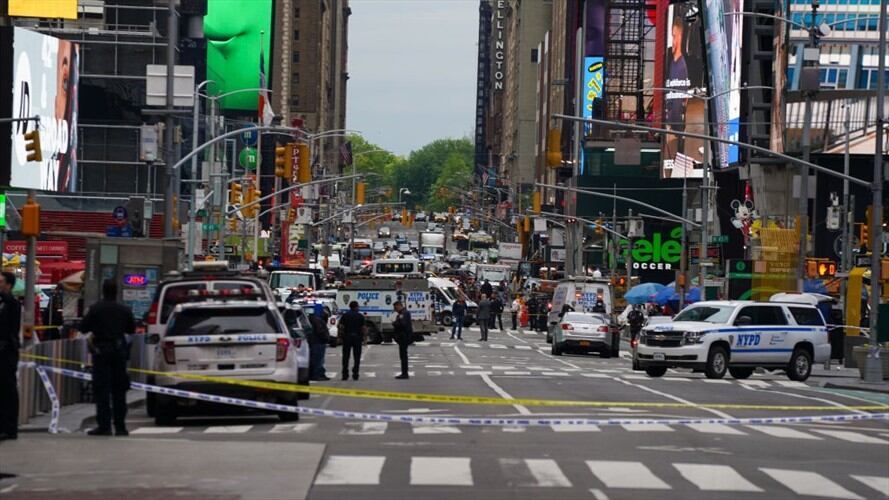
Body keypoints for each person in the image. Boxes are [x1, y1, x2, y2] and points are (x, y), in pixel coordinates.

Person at [79, 280, 135, 436]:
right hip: (119, 351)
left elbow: (83, 327)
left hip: (101, 351)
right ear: (116, 292)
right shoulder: (124, 310)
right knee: (119, 390)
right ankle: (121, 426)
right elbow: (131, 329)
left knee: (102, 390)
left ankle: (104, 426)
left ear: (103, 291)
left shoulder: (96, 309)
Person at [0, 272, 22, 440]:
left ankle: (10, 427)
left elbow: (9, 328)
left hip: (7, 352)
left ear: (8, 285)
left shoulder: (12, 303)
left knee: (8, 389)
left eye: (0, 282)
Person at [339, 301, 365, 381]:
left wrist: (340, 336)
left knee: (346, 357)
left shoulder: (345, 315)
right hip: (357, 338)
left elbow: (341, 327)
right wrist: (365, 338)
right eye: (358, 306)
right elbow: (363, 328)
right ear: (356, 307)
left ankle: (345, 374)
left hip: (347, 337)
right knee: (357, 357)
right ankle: (355, 374)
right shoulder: (360, 316)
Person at [308, 304, 330, 381]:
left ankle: (321, 373)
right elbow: (320, 331)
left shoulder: (317, 318)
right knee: (318, 359)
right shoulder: (317, 319)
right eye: (323, 310)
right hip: (318, 342)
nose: (324, 312)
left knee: (320, 359)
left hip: (318, 342)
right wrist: (326, 337)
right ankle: (316, 375)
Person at [392, 301, 413, 379]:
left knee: (403, 355)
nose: (395, 309)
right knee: (403, 355)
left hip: (404, 337)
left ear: (399, 306)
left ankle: (405, 373)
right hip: (403, 336)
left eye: (395, 307)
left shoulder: (404, 313)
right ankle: (404, 372)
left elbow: (403, 324)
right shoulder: (403, 313)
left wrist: (395, 323)